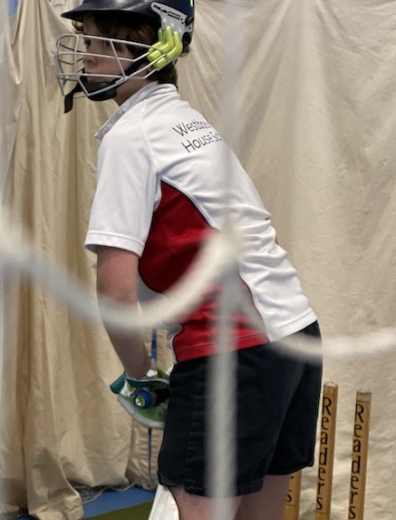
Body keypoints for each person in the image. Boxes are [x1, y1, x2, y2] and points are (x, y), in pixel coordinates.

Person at [55, 2, 322, 519]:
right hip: (297, 336)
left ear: (151, 46)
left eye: (97, 42)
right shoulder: (188, 122)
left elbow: (114, 292)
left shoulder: (133, 136)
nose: (85, 56)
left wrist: (139, 377)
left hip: (233, 354)